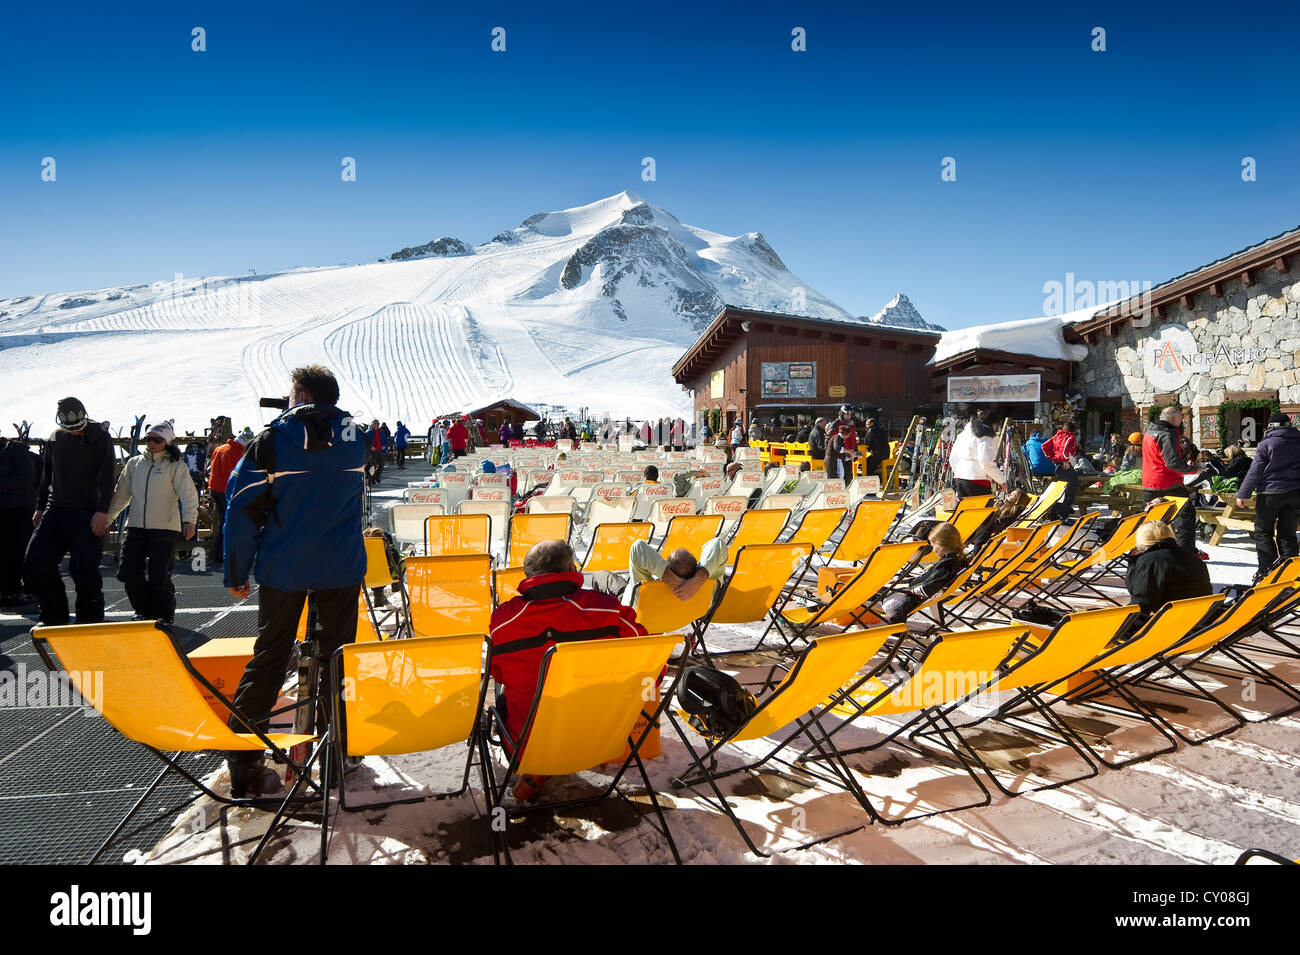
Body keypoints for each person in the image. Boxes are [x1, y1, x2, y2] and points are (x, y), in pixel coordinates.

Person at [222, 365, 367, 798]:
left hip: (285, 569)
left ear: (300, 395)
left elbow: (242, 508)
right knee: (337, 659)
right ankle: (339, 755)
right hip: (341, 566)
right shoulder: (356, 436)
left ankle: (245, 764)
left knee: (269, 657)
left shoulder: (273, 440)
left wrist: (235, 571)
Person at [488, 540, 646, 800]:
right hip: (602, 736)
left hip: (528, 747)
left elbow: (499, 674)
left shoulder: (504, 620)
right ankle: (549, 765)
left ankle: (540, 769)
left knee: (507, 696)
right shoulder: (605, 609)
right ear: (571, 568)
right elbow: (645, 653)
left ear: (529, 576)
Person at [24, 397, 116, 626]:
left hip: (86, 511)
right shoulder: (55, 437)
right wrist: (39, 507)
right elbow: (47, 476)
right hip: (56, 509)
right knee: (35, 564)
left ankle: (90, 620)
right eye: (69, 428)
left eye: (77, 426)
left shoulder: (100, 436)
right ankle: (54, 615)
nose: (74, 431)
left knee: (83, 568)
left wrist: (102, 511)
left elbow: (107, 477)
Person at [105, 420, 198, 623]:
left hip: (165, 527)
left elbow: (188, 495)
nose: (152, 443)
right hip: (136, 525)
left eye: (157, 439)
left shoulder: (176, 465)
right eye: (148, 438)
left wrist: (189, 520)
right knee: (128, 571)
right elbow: (121, 494)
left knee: (159, 575)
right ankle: (143, 610)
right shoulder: (134, 463)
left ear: (167, 442)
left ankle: (163, 614)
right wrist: (108, 518)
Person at [1236, 411, 1300, 577]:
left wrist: (1243, 493)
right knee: (1288, 533)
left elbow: (1255, 471)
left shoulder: (1266, 444)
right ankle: (1291, 572)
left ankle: (1268, 571)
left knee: (1263, 532)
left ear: (1270, 427)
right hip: (1295, 493)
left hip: (1269, 493)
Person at [878, 523, 966, 623]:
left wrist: (907, 589)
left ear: (942, 545)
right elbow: (927, 579)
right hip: (924, 597)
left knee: (883, 600)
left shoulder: (945, 567)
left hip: (907, 602)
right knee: (890, 587)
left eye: (934, 546)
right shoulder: (956, 562)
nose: (933, 550)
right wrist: (904, 581)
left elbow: (927, 587)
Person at [1125, 520, 1211, 622]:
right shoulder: (1191, 557)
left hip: (1175, 621)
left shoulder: (1150, 561)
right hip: (1203, 617)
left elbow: (1142, 603)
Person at [1142, 407, 1202, 551]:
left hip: (1149, 481)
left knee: (1151, 518)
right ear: (1174, 419)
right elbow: (1173, 463)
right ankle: (1186, 550)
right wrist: (1195, 469)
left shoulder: (1149, 432)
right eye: (1181, 418)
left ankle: (1146, 547)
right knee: (1185, 515)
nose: (1182, 421)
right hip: (1168, 482)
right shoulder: (1167, 435)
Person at [0, 434, 40, 606]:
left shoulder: (17, 450)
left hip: (21, 509)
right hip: (4, 510)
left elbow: (27, 478)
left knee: (21, 551)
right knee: (5, 553)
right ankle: (9, 591)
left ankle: (28, 589)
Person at [207, 429, 250, 565]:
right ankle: (225, 553)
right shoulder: (239, 453)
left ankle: (216, 552)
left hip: (215, 488)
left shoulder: (220, 448)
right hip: (228, 490)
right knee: (230, 522)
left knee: (221, 521)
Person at [948, 414, 1006, 499]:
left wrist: (959, 473)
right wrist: (1001, 480)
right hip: (978, 480)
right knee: (982, 511)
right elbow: (986, 462)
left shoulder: (963, 435)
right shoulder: (985, 436)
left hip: (960, 479)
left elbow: (953, 458)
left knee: (964, 510)